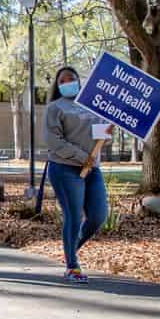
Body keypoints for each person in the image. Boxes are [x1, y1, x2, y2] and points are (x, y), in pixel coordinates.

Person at [43, 65, 114, 283]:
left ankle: (70, 250)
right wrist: (82, 156)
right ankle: (72, 266)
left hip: (92, 169)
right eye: (63, 80)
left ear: (79, 81)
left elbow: (101, 136)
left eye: (71, 78)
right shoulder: (55, 108)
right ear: (58, 85)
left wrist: (108, 133)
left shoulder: (93, 106)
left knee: (98, 216)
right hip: (65, 168)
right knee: (73, 216)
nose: (68, 82)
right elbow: (53, 141)